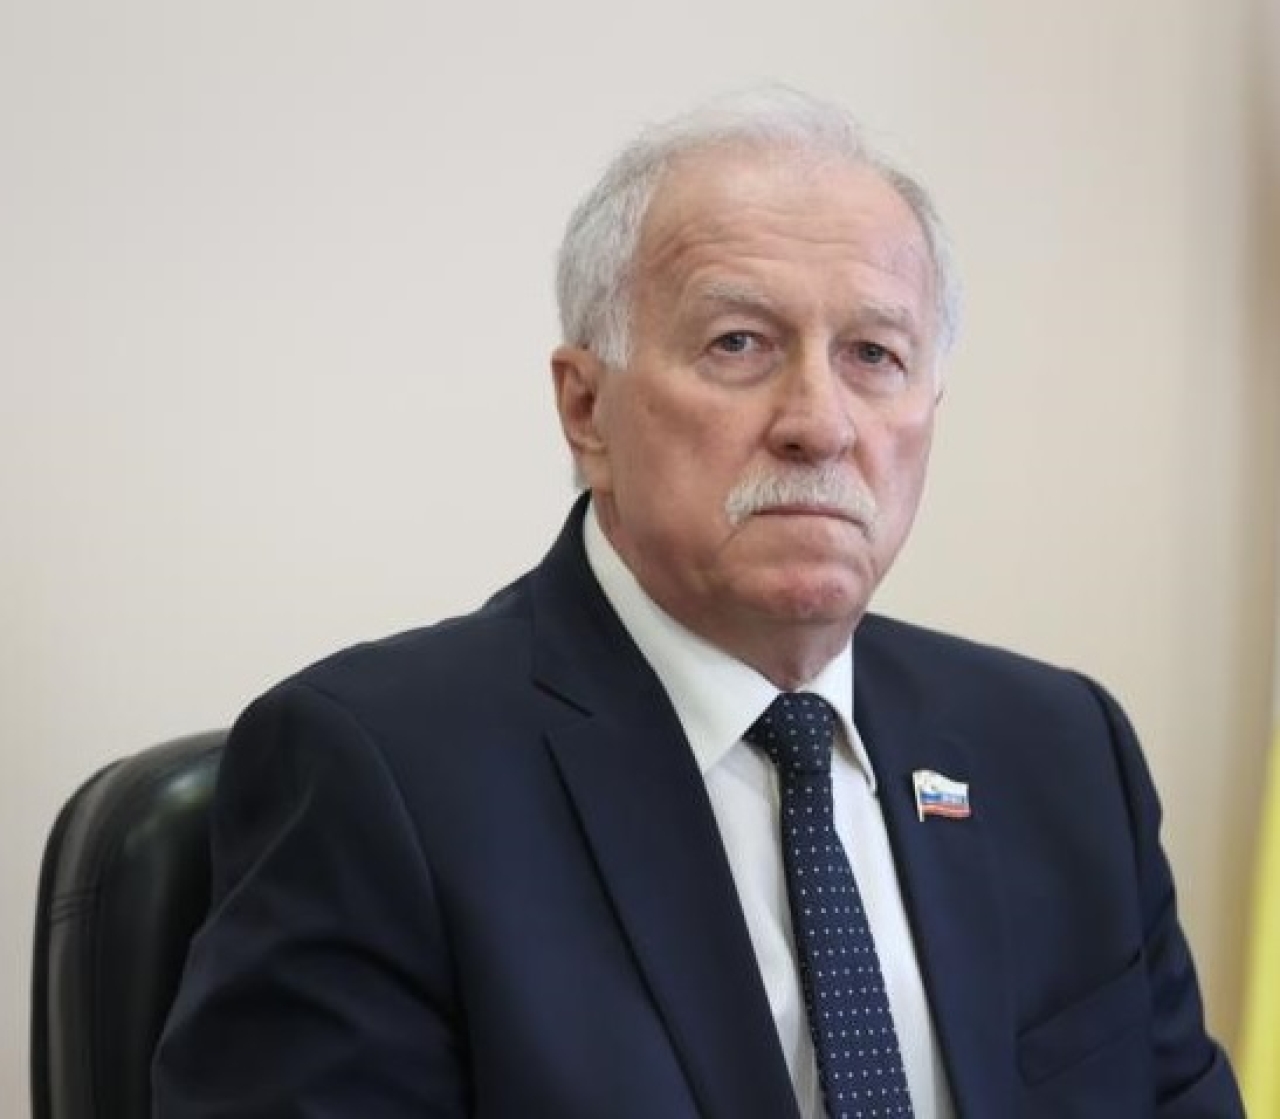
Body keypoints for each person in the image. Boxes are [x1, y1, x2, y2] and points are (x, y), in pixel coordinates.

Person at [152, 88, 1244, 1118]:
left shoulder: (1062, 752)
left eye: (873, 354)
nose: (819, 423)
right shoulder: (377, 773)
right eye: (739, 345)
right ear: (587, 409)